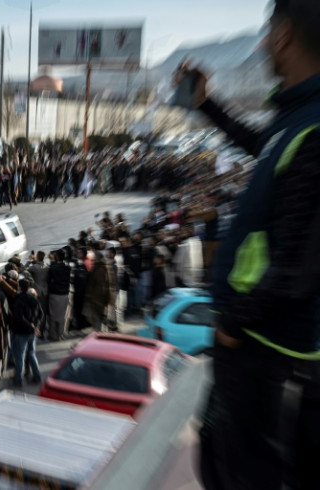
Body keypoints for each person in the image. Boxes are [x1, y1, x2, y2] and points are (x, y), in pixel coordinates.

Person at [191, 1, 320, 488]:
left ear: (285, 36)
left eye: (267, 33)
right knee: (221, 461)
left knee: (244, 474)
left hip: (266, 349)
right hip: (259, 343)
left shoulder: (314, 126)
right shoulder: (298, 116)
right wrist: (207, 104)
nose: (263, 43)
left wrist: (233, 323)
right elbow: (261, 145)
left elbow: (299, 264)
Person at [10, 279, 43, 387]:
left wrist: (30, 326)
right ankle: (37, 376)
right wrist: (35, 326)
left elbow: (19, 317)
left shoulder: (19, 301)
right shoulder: (34, 299)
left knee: (20, 356)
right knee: (32, 354)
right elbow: (41, 314)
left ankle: (18, 379)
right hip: (31, 333)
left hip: (21, 332)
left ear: (20, 287)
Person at [82, 252, 111, 332]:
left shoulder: (100, 268)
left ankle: (99, 331)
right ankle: (99, 330)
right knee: (92, 314)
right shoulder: (98, 267)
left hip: (97, 297)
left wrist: (91, 295)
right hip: (95, 297)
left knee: (95, 315)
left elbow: (99, 284)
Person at [47, 249, 72, 341]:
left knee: (53, 316)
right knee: (63, 316)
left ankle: (53, 335)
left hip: (54, 294)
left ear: (56, 257)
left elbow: (48, 280)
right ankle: (60, 334)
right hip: (65, 293)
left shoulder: (53, 268)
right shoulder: (68, 268)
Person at [26, 251, 50, 333]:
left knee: (36, 311)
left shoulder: (34, 267)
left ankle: (37, 328)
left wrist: (29, 261)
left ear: (37, 257)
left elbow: (24, 270)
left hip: (37, 291)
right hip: (45, 291)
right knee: (43, 310)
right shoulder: (46, 266)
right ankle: (42, 328)